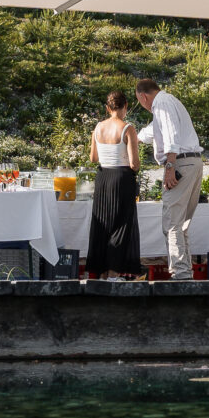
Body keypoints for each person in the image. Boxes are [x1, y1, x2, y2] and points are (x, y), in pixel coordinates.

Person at [134, 79, 203, 280]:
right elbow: (152, 131)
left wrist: (170, 166)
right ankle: (185, 272)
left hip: (180, 163)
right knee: (181, 224)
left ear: (143, 96)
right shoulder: (169, 102)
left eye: (140, 101)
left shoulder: (161, 104)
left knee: (172, 223)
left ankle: (180, 273)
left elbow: (171, 137)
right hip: (193, 162)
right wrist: (131, 137)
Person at [87, 90, 142, 280]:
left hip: (103, 177)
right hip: (121, 178)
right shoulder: (128, 128)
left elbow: (93, 158)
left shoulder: (98, 127)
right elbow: (134, 164)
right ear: (126, 106)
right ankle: (114, 272)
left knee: (102, 224)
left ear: (107, 108)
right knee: (121, 224)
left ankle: (102, 273)